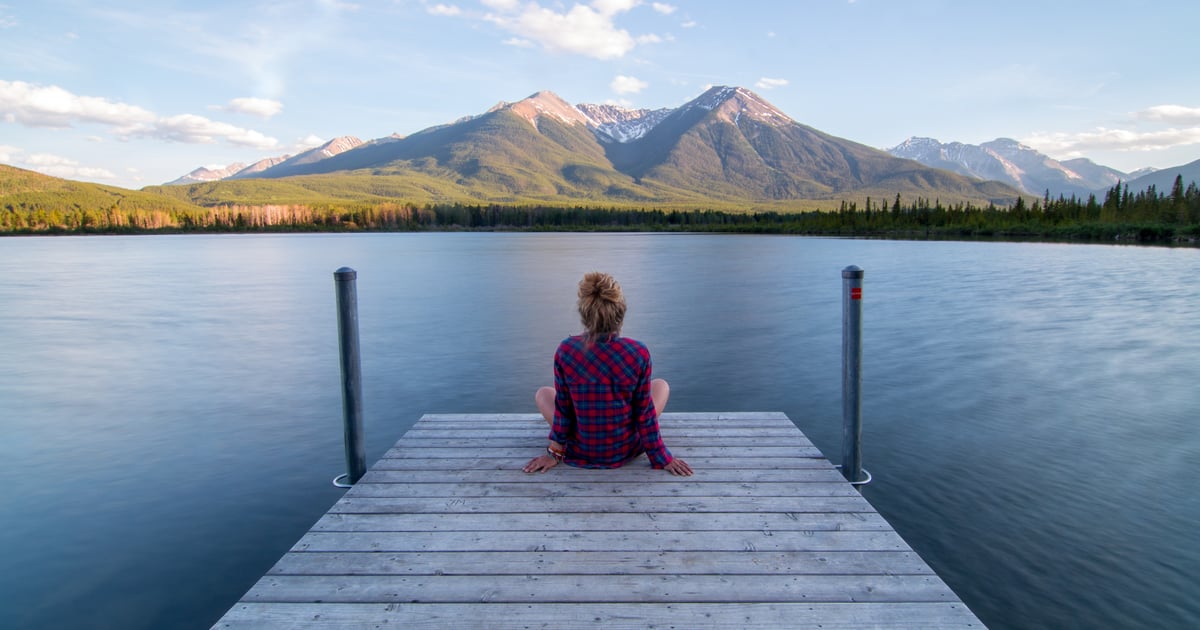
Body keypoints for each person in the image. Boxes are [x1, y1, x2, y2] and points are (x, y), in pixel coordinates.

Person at [523, 272, 693, 476]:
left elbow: (563, 409)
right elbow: (644, 413)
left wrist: (554, 453)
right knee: (661, 386)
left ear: (584, 315)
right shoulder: (637, 352)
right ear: (620, 313)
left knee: (543, 393)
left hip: (581, 448)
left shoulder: (566, 350)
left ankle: (574, 442)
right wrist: (662, 457)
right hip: (624, 448)